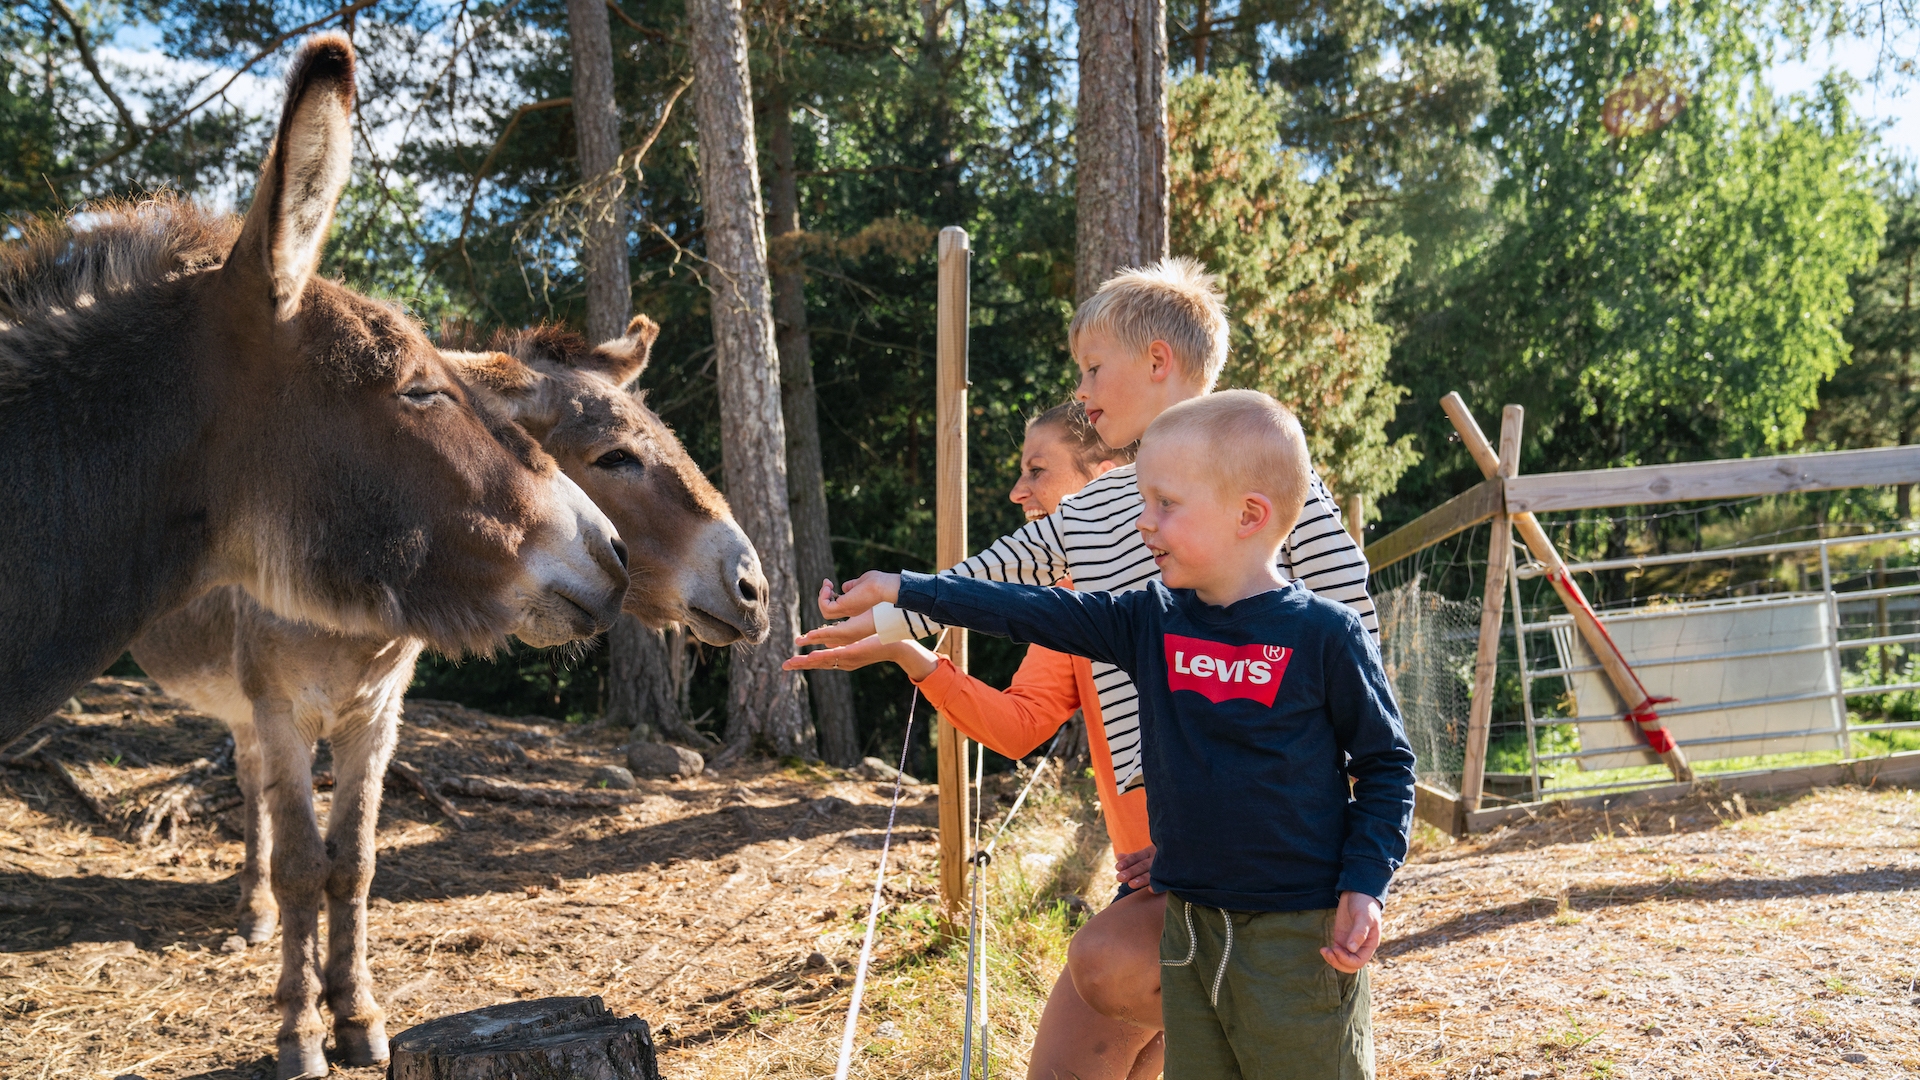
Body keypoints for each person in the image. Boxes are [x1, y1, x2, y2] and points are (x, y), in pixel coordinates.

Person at [789, 256, 1378, 1069]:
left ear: (1158, 363)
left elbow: (1355, 624)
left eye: (1093, 369)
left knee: (1123, 1001)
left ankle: (1282, 1004)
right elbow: (1004, 579)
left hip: (1270, 833)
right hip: (1165, 823)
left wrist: (1346, 849)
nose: (1084, 390)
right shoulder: (1104, 504)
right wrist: (892, 611)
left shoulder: (1267, 477)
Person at [791, 401, 1164, 1079]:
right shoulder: (1074, 600)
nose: (1018, 491)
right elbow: (1019, 724)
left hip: (1193, 888)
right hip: (1154, 886)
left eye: (1037, 470)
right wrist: (911, 657)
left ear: (1105, 479)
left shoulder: (1177, 589)